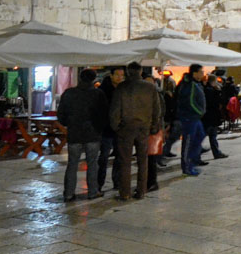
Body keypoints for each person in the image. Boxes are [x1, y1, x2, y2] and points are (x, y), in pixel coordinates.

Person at [109, 61, 163, 200]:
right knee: (142, 160)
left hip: (126, 128)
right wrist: (154, 125)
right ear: (140, 72)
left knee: (125, 161)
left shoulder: (122, 87)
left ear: (128, 72)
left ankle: (125, 192)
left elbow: (115, 110)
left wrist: (116, 126)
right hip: (143, 127)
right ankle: (141, 191)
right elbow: (156, 109)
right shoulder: (149, 87)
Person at [56, 68, 107, 201]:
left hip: (74, 133)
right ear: (94, 79)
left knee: (72, 164)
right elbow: (104, 115)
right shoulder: (98, 94)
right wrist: (99, 128)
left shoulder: (69, 93)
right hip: (93, 134)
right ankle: (92, 191)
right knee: (92, 163)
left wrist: (70, 124)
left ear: (80, 78)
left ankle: (68, 193)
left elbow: (61, 114)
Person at [96, 66, 125, 194]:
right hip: (106, 129)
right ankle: (99, 184)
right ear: (111, 75)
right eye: (117, 75)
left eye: (122, 75)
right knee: (103, 158)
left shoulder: (123, 90)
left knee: (119, 157)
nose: (120, 77)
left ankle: (117, 182)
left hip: (119, 129)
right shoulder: (102, 91)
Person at [176, 63, 207, 176]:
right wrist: (199, 112)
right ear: (195, 73)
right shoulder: (189, 84)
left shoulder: (196, 83)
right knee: (188, 141)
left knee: (200, 135)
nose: (203, 74)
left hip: (195, 117)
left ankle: (193, 160)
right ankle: (187, 166)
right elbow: (189, 102)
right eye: (201, 72)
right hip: (189, 117)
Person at [202, 74, 229, 160]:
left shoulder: (205, 89)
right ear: (214, 81)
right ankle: (216, 153)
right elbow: (217, 102)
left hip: (206, 116)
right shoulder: (212, 91)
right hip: (212, 116)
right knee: (211, 135)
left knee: (209, 135)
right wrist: (218, 91)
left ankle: (216, 152)